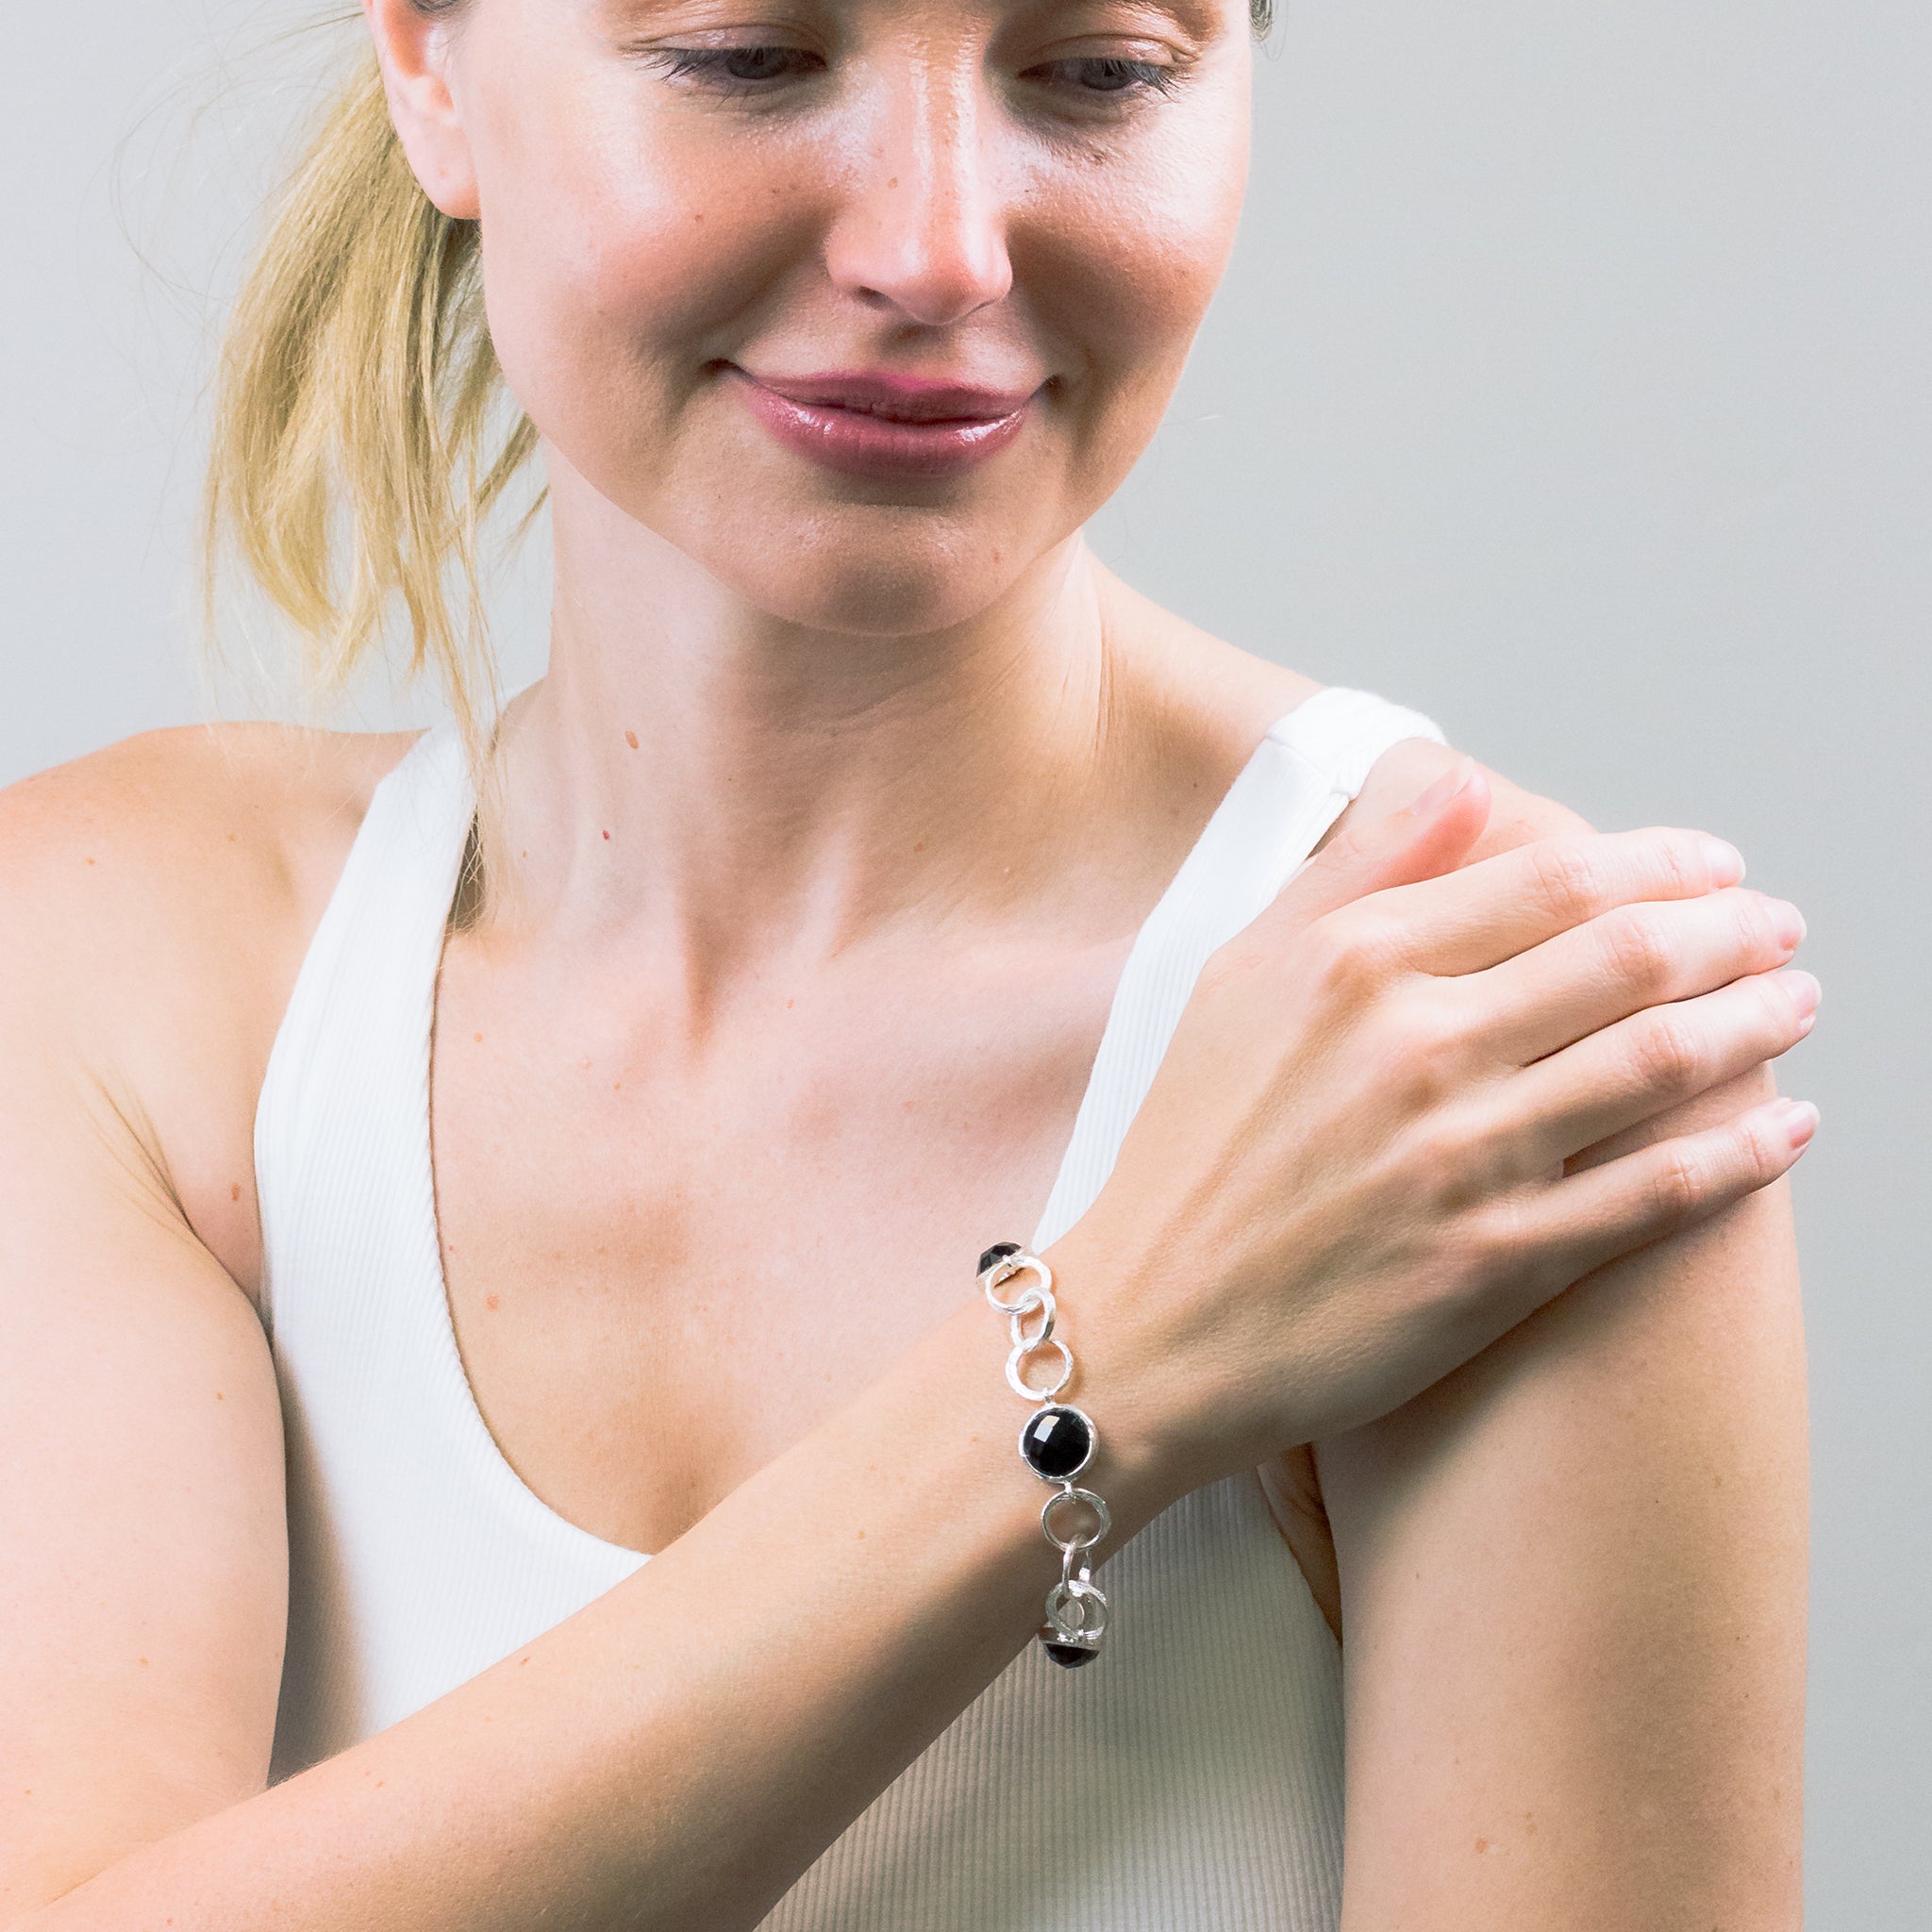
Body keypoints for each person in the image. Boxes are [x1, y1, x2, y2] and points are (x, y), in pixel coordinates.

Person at [0, 1, 1815, 1926]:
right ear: (433, 70)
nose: (940, 248)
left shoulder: (1489, 1051)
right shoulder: (129, 966)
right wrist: (1104, 1363)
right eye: (749, 54)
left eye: (1102, 70)